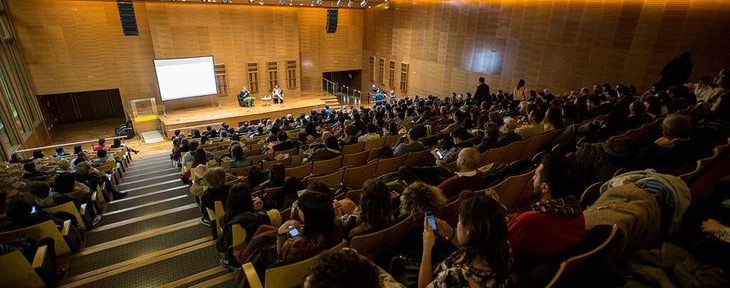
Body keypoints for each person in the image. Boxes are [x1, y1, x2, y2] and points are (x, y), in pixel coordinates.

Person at [508, 153, 584, 269]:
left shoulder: (527, 223)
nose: (533, 178)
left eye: (536, 175)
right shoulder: (577, 212)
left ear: (544, 187)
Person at [419, 194, 513, 288]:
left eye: (459, 220)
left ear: (469, 231)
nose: (457, 225)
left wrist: (427, 248)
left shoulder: (454, 277)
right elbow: (477, 245)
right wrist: (450, 233)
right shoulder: (504, 249)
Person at [275, 191, 344, 264]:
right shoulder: (338, 226)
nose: (298, 209)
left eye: (300, 208)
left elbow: (281, 261)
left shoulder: (295, 246)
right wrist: (293, 231)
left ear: (308, 216)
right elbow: (302, 237)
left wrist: (280, 234)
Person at [216, 183, 272, 269]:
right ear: (249, 199)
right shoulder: (260, 217)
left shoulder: (225, 221)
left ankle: (230, 263)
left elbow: (220, 247)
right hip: (259, 254)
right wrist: (260, 209)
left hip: (238, 258)